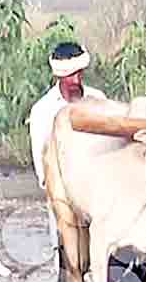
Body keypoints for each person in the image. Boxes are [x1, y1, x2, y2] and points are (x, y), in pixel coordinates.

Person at [28, 41, 108, 250]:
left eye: (79, 73)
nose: (76, 80)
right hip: (63, 198)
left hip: (100, 196)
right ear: (58, 75)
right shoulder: (43, 111)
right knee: (67, 265)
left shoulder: (98, 100)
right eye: (70, 75)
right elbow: (43, 171)